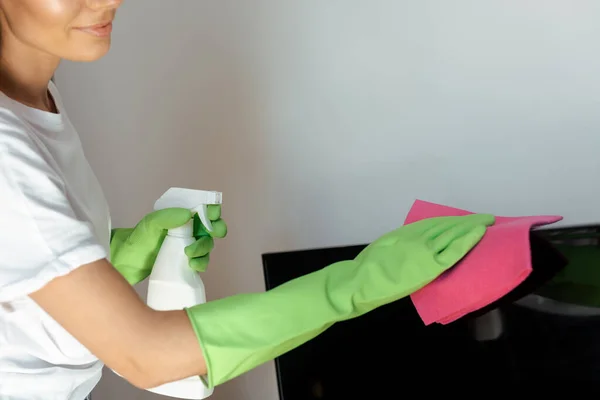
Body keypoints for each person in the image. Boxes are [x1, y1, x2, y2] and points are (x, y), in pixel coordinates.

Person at [0, 1, 495, 399]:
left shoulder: (34, 98)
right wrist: (356, 282)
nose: (108, 1)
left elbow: (25, 288)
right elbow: (146, 355)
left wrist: (119, 256)